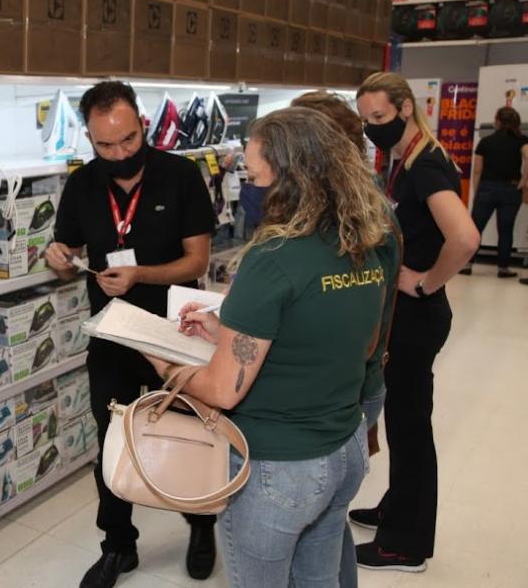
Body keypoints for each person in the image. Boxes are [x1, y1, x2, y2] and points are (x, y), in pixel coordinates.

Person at [143, 106, 400, 587]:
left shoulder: (273, 256)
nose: (248, 191)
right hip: (343, 451)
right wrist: (230, 330)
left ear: (290, 178)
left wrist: (160, 359)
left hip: (278, 468)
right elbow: (358, 342)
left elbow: (222, 391)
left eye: (255, 177)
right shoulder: (365, 238)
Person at [44, 81, 217, 588]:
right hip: (114, 333)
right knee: (113, 440)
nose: (119, 153)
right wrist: (56, 258)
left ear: (142, 123)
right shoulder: (82, 184)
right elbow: (66, 256)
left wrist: (141, 275)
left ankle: (201, 524)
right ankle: (119, 545)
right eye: (105, 145)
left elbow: (198, 260)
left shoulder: (181, 176)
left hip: (177, 331)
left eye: (128, 139)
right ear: (89, 139)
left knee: (190, 433)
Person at [353, 72, 480, 572]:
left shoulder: (424, 166)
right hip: (409, 316)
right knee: (404, 418)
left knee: (409, 427)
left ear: (406, 108)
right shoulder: (412, 156)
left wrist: (426, 281)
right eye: (366, 120)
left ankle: (405, 544)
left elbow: (465, 238)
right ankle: (395, 508)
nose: (371, 128)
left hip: (419, 315)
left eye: (379, 117)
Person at [290, 90, 392, 588]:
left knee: (320, 526)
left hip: (345, 390)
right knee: (327, 527)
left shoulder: (365, 223)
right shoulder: (354, 212)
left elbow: (365, 334)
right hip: (352, 385)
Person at [460, 106, 528, 278]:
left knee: (476, 228)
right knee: (506, 230)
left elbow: (477, 170)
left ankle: (467, 264)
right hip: (511, 190)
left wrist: (478, 190)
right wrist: (523, 180)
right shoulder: (522, 140)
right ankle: (503, 268)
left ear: (497, 121)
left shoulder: (486, 141)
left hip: (487, 188)